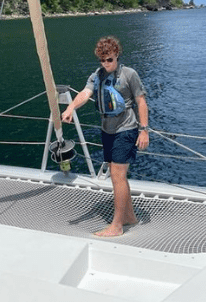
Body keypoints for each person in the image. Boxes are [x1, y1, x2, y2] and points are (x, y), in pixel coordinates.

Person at [61, 36, 149, 237]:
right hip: (106, 129)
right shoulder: (97, 75)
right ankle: (129, 217)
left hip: (126, 128)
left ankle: (116, 226)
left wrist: (144, 130)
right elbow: (85, 92)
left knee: (117, 175)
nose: (106, 64)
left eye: (109, 59)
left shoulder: (129, 75)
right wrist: (70, 108)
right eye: (102, 60)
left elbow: (141, 102)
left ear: (117, 55)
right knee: (117, 175)